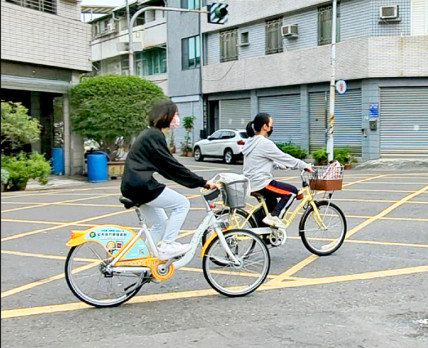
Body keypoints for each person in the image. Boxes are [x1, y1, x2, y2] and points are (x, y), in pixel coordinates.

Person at [121, 99, 219, 260]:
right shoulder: (154, 135)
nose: (177, 118)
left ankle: (143, 259)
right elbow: (171, 166)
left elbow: (167, 167)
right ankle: (167, 246)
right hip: (141, 186)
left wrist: (196, 181)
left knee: (160, 224)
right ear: (166, 116)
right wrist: (202, 182)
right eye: (175, 114)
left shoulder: (150, 134)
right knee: (182, 204)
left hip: (133, 185)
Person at [242, 112, 313, 228]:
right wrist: (303, 165)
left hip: (251, 182)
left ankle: (265, 234)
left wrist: (281, 166)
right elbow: (283, 157)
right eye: (270, 124)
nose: (271, 127)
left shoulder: (251, 142)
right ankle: (274, 217)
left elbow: (263, 161)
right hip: (261, 183)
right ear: (265, 126)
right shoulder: (264, 143)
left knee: (272, 203)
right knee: (291, 192)